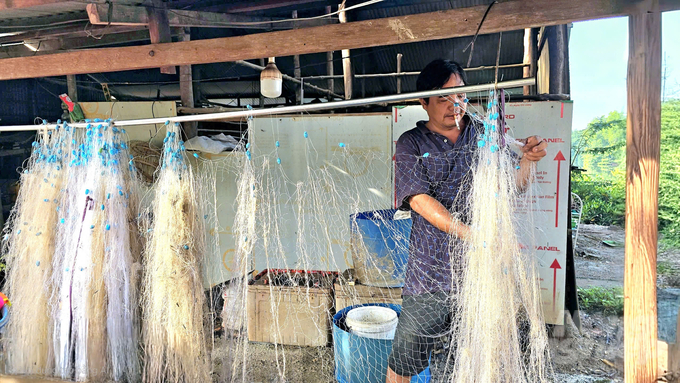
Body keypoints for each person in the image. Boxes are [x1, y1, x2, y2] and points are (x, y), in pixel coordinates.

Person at [386, 59, 548, 383]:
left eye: (459, 95)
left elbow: (511, 186)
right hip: (429, 275)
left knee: (470, 360)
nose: (454, 105)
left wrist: (528, 161)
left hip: (480, 276)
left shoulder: (482, 132)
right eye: (443, 98)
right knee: (405, 360)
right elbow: (419, 200)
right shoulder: (411, 144)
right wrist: (474, 235)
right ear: (424, 102)